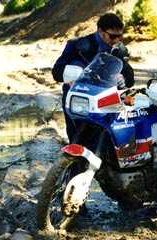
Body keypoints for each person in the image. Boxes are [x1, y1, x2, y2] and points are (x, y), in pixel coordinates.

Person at [52, 13, 134, 143]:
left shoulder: (119, 50)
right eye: (113, 36)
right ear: (100, 31)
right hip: (79, 99)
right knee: (77, 140)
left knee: (109, 140)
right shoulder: (77, 46)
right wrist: (73, 74)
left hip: (105, 100)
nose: (117, 40)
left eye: (120, 36)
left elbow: (130, 77)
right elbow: (56, 71)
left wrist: (122, 78)